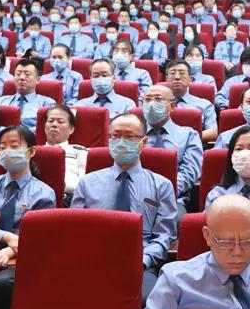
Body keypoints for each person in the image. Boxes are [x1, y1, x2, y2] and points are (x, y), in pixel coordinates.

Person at [71, 113, 178, 298]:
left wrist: (143, 260)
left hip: (141, 261)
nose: (120, 142)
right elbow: (76, 231)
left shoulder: (161, 185)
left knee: (149, 298)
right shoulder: (87, 183)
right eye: (115, 136)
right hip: (94, 260)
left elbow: (164, 235)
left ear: (143, 143)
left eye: (129, 137)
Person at [0, 125, 56, 309]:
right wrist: (5, 237)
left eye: (14, 146)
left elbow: (38, 237)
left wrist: (9, 251)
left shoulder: (43, 193)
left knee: (2, 284)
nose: (8, 151)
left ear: (31, 151)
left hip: (22, 257)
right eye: (3, 147)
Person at [141, 85, 202, 208]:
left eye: (158, 99)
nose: (151, 104)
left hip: (174, 199)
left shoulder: (188, 134)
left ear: (172, 106)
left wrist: (165, 192)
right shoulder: (133, 135)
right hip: (137, 196)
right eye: (147, 99)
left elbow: (191, 171)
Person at [41, 105, 88, 204]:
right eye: (50, 121)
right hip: (38, 198)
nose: (54, 125)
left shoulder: (80, 151)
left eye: (60, 121)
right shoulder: (34, 152)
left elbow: (85, 183)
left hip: (70, 199)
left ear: (71, 129)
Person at [164, 60, 217, 143]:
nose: (177, 77)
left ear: (190, 79)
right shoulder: (158, 103)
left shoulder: (204, 104)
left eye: (182, 73)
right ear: (166, 79)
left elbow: (213, 132)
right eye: (173, 73)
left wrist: (188, 138)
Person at [0, 58, 56, 129]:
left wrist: (21, 134)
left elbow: (46, 128)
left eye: (27, 74)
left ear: (38, 79)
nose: (22, 78)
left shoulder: (47, 104)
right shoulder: (0, 102)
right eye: (18, 74)